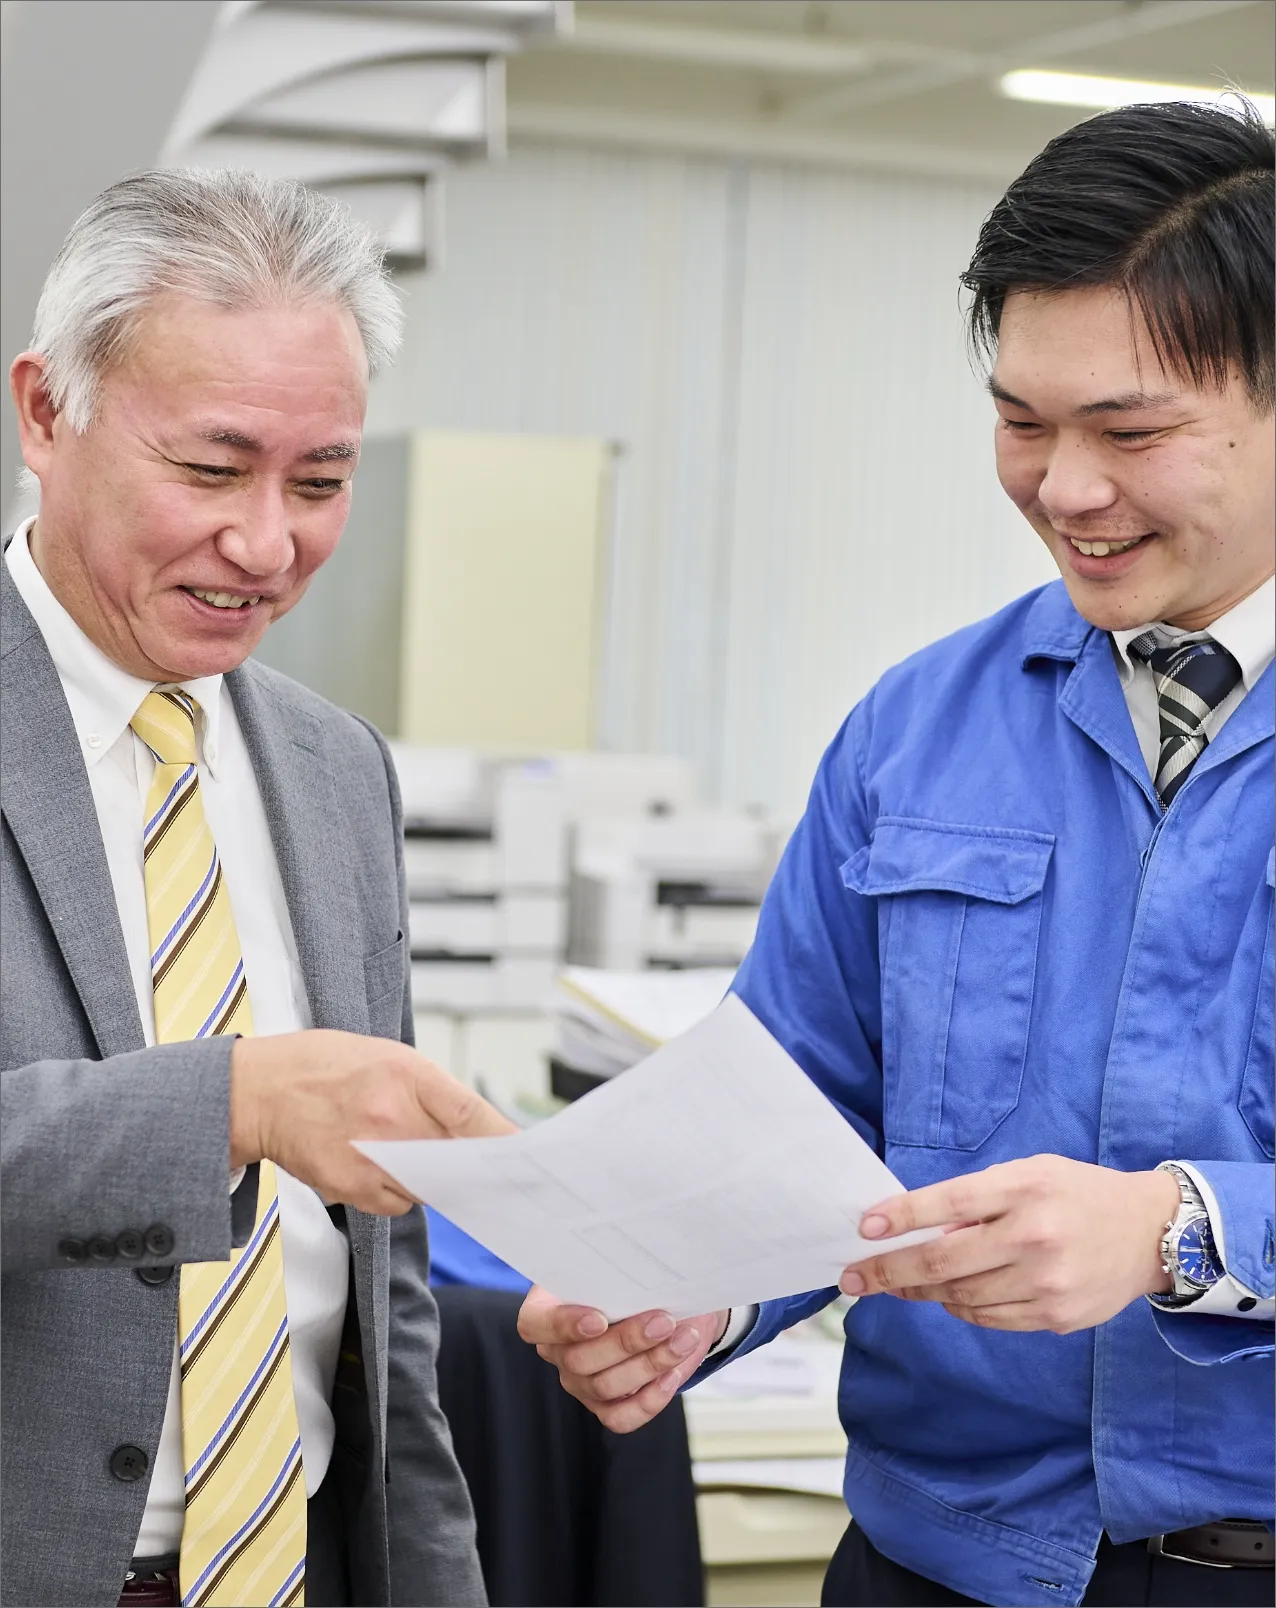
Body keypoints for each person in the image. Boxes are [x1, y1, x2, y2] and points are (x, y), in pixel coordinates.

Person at [519, 100, 1275, 1608]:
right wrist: (687, 1288)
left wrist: (1184, 1232)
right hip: (941, 1568)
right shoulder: (915, 729)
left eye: (1129, 432)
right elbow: (798, 1102)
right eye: (1021, 422)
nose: (1063, 488)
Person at [1, 169, 516, 1608]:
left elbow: (382, 1291)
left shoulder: (334, 768)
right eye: (212, 470)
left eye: (323, 480)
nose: (269, 543)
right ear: (46, 413)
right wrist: (232, 1102)